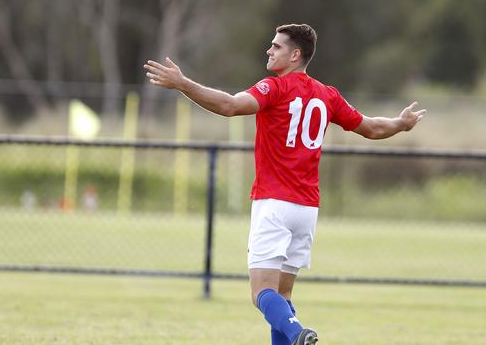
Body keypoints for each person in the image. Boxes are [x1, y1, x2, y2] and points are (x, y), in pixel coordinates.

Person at [144, 23, 425, 345]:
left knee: (261, 293)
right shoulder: (327, 95)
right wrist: (401, 124)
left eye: (276, 46)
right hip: (306, 209)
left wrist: (182, 84)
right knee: (283, 294)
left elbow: (229, 106)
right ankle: (294, 333)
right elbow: (372, 128)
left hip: (275, 204)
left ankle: (297, 332)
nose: (269, 50)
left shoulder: (273, 88)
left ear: (295, 54)